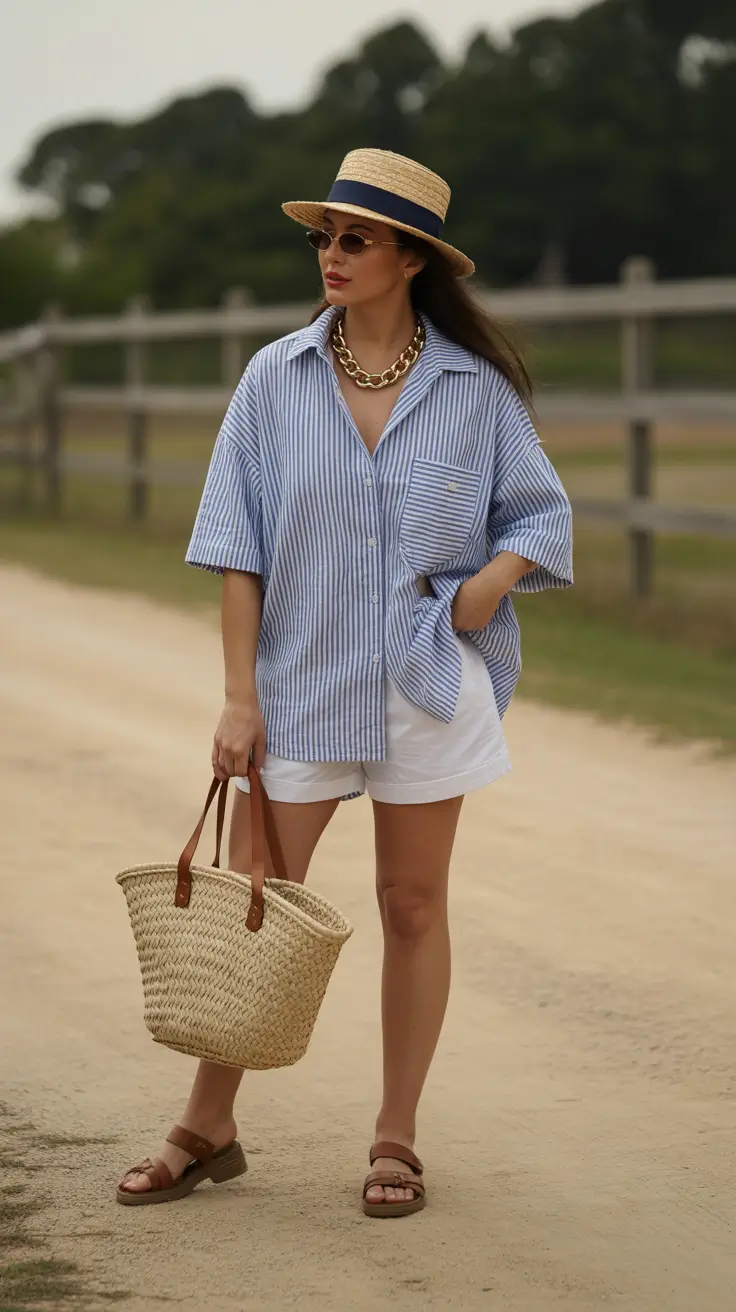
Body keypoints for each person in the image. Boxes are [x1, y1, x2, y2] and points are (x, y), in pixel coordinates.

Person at [117, 148, 573, 1217]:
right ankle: (207, 1121)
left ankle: (395, 1136)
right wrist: (239, 696)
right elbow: (237, 545)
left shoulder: (477, 390)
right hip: (298, 683)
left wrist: (488, 584)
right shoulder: (272, 381)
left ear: (409, 257)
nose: (331, 254)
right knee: (255, 908)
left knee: (412, 903)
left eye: (355, 238)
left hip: (426, 680)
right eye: (323, 236)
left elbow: (542, 513)